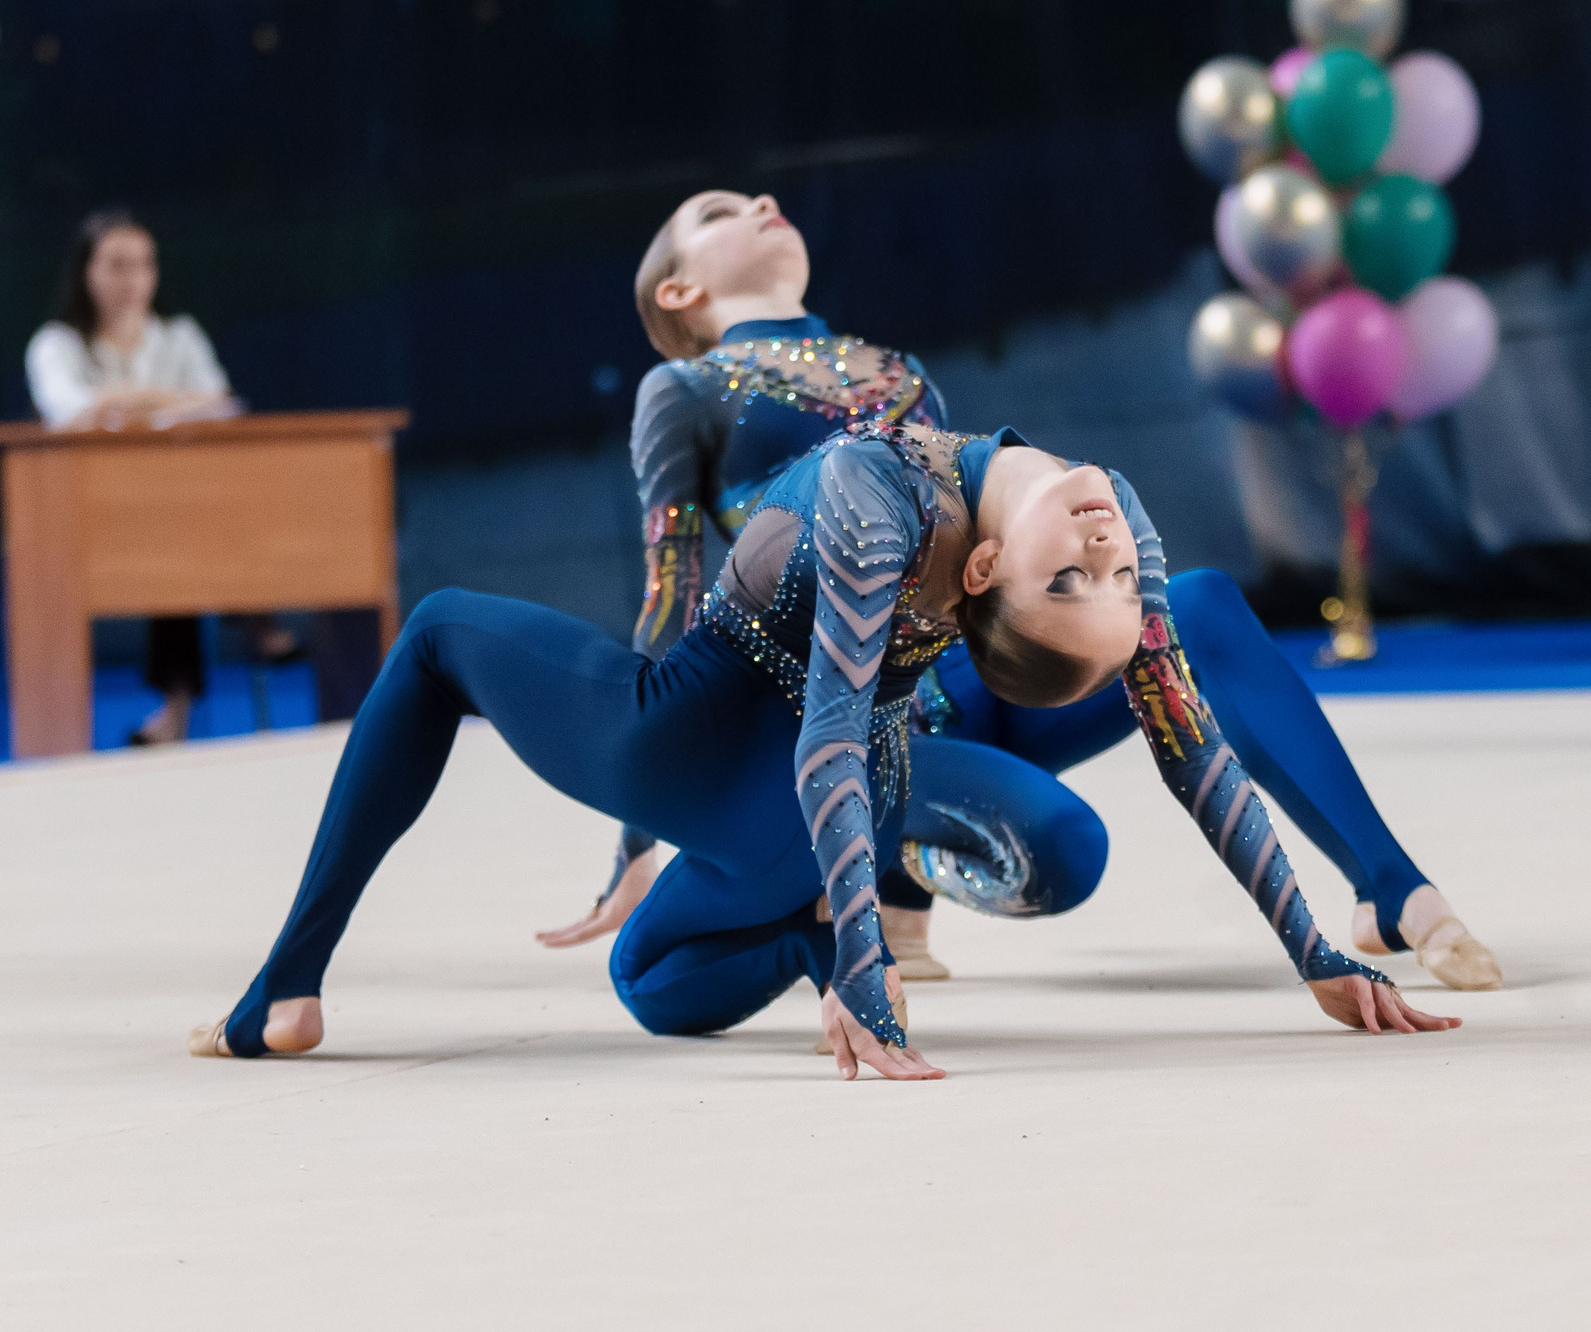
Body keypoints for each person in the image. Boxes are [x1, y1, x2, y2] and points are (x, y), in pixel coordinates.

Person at [191, 413, 1458, 1079]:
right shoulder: (1048, 508)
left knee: (438, 633)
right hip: (759, 784)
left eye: (1087, 571)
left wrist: (1313, 958)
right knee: (651, 987)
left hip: (718, 756)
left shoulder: (908, 496)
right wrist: (847, 956)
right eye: (1099, 568)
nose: (1103, 538)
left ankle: (280, 995)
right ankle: (795, 935)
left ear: (983, 570)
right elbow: (842, 735)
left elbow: (1185, 750)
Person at [536, 189, 1499, 991]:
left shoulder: (898, 373)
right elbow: (673, 595)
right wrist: (642, 829)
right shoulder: (683, 387)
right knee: (963, 773)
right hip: (860, 714)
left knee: (1196, 603)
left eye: (756, 196)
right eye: (718, 211)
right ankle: (882, 871)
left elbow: (977, 558)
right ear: (681, 287)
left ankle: (1387, 882)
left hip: (981, 677)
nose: (760, 201)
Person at [24, 209, 244, 745]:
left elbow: (220, 405)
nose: (132, 280)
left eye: (143, 265)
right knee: (172, 532)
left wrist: (126, 403)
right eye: (117, 266)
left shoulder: (179, 336)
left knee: (181, 531)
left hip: (175, 510)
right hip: (82, 517)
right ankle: (257, 622)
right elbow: (68, 410)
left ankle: (178, 707)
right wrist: (162, 401)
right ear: (86, 273)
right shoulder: (56, 344)